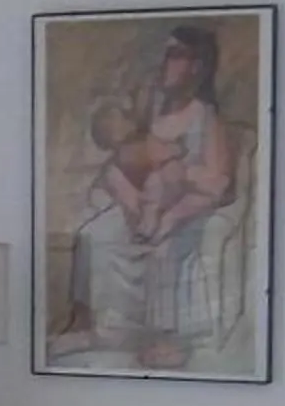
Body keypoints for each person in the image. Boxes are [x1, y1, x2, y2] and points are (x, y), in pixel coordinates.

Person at [72, 25, 238, 368]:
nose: (166, 64)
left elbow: (218, 178)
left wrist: (178, 172)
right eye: (166, 55)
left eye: (175, 55)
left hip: (188, 202)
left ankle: (167, 336)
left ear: (197, 65)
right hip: (148, 199)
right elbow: (130, 155)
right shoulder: (154, 114)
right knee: (97, 231)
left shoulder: (204, 116)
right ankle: (110, 327)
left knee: (166, 235)